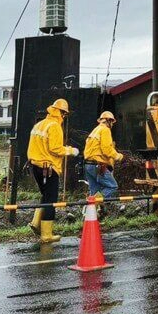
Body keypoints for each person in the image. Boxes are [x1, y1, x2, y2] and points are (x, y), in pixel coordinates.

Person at [27, 98, 78, 243]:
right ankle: (46, 235)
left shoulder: (39, 124)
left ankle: (36, 223)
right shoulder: (54, 126)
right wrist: (70, 150)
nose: (64, 117)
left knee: (45, 195)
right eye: (64, 114)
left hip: (36, 166)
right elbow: (55, 149)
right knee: (51, 200)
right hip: (49, 168)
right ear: (61, 113)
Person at [84, 111, 124, 200]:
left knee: (94, 190)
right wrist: (118, 156)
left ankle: (92, 212)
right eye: (112, 122)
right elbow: (106, 149)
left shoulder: (95, 130)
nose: (112, 125)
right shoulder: (105, 130)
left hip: (88, 165)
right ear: (109, 121)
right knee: (112, 186)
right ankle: (93, 202)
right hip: (98, 165)